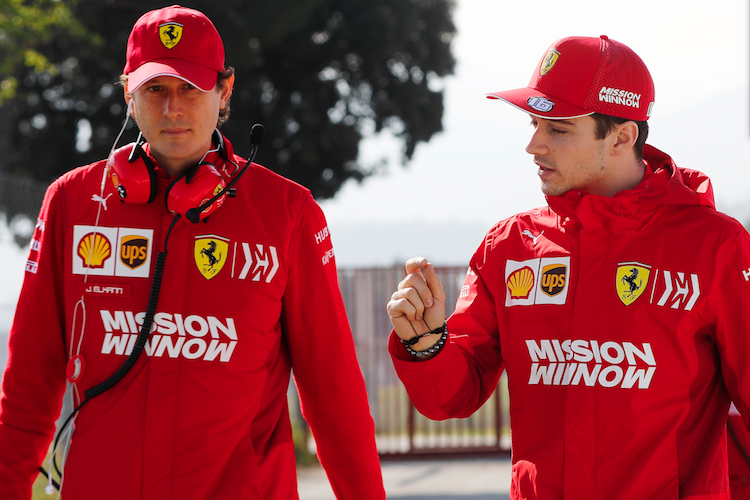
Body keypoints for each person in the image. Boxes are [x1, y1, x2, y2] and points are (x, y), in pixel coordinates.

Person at [0, 6, 385, 499]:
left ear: (224, 91)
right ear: (129, 95)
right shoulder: (73, 204)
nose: (173, 108)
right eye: (155, 89)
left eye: (191, 89)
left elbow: (335, 397)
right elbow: (27, 389)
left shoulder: (288, 213)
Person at [386, 34, 750, 499]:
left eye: (558, 129)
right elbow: (451, 397)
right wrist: (426, 342)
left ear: (622, 136)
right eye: (535, 124)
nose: (534, 146)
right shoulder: (509, 245)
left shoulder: (716, 247)